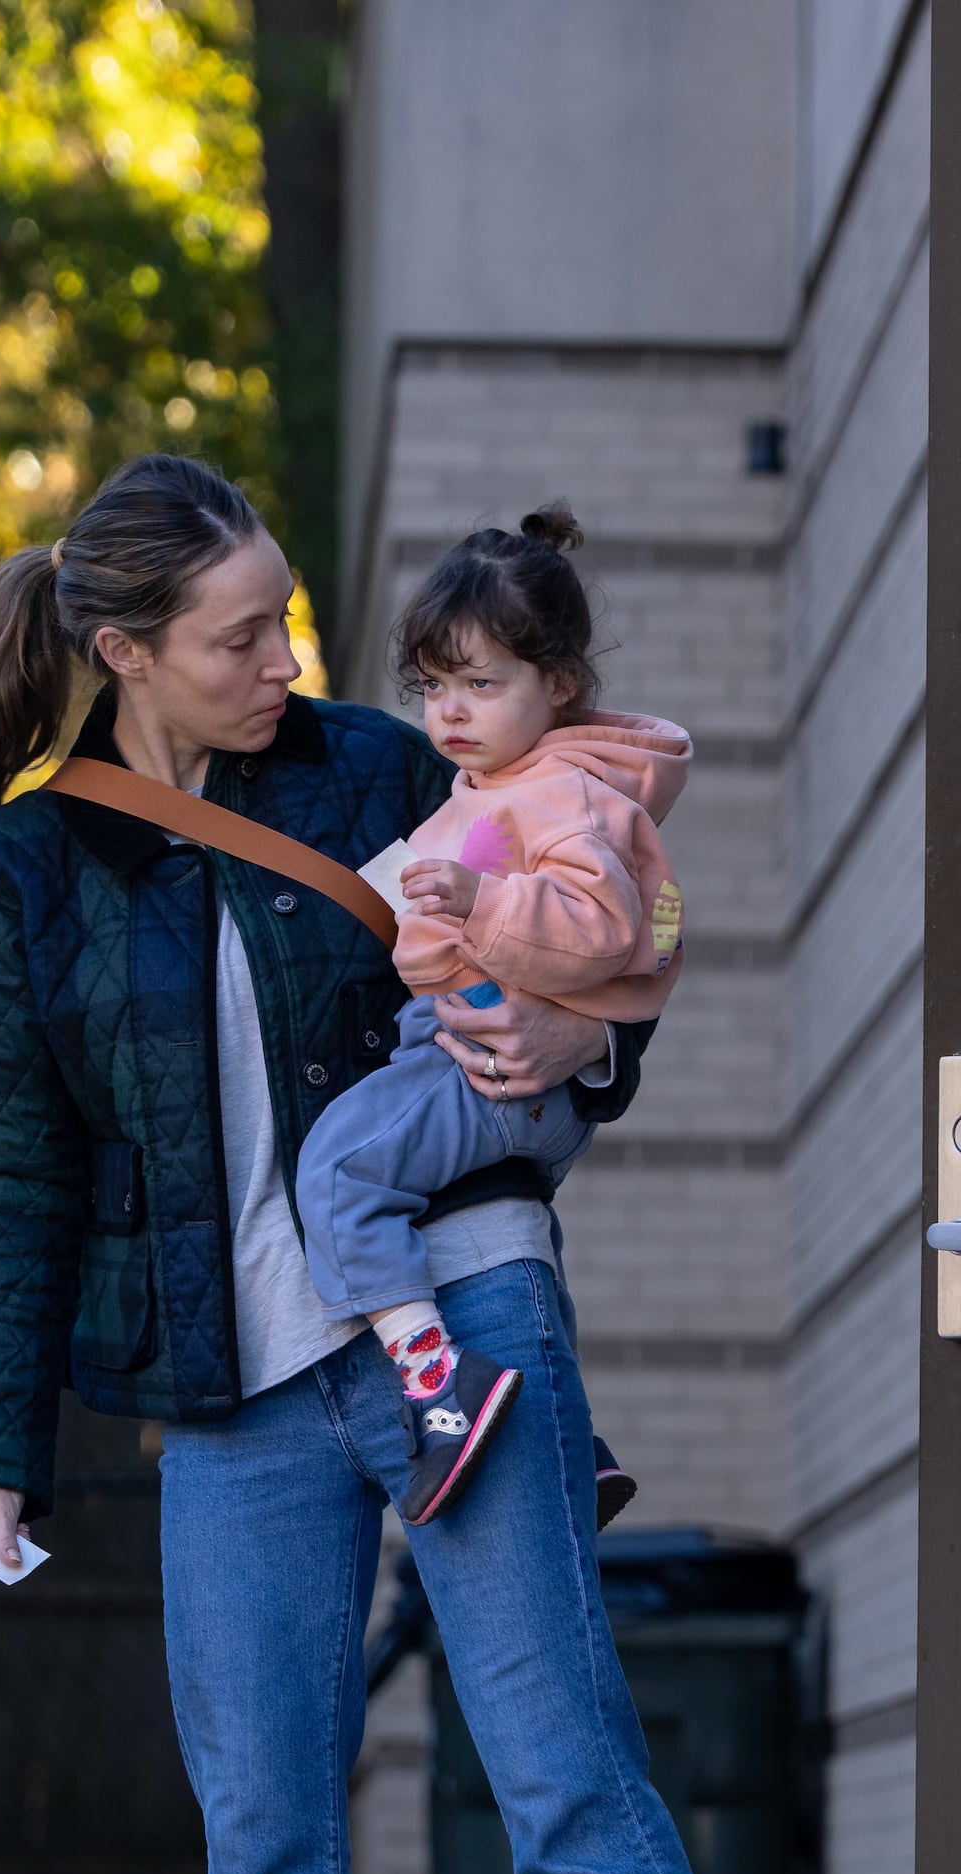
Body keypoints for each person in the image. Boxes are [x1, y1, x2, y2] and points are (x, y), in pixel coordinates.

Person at [0, 454, 808, 1874]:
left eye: (288, 619)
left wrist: (590, 1047)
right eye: (240, 636)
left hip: (456, 1320)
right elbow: (14, 1176)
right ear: (128, 651)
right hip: (227, 1391)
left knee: (562, 1767)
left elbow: (589, 921)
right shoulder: (30, 870)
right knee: (265, 1848)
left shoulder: (384, 768)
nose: (283, 660)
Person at [291, 506, 692, 1527]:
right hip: (486, 1055)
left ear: (558, 683)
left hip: (502, 1074)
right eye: (432, 686)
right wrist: (429, 923)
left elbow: (600, 927)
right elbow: (435, 948)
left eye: (482, 683)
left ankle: (437, 1391)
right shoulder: (487, 786)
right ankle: (573, 1436)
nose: (451, 711)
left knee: (339, 1168)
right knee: (454, 1204)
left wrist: (475, 906)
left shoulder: (563, 794)